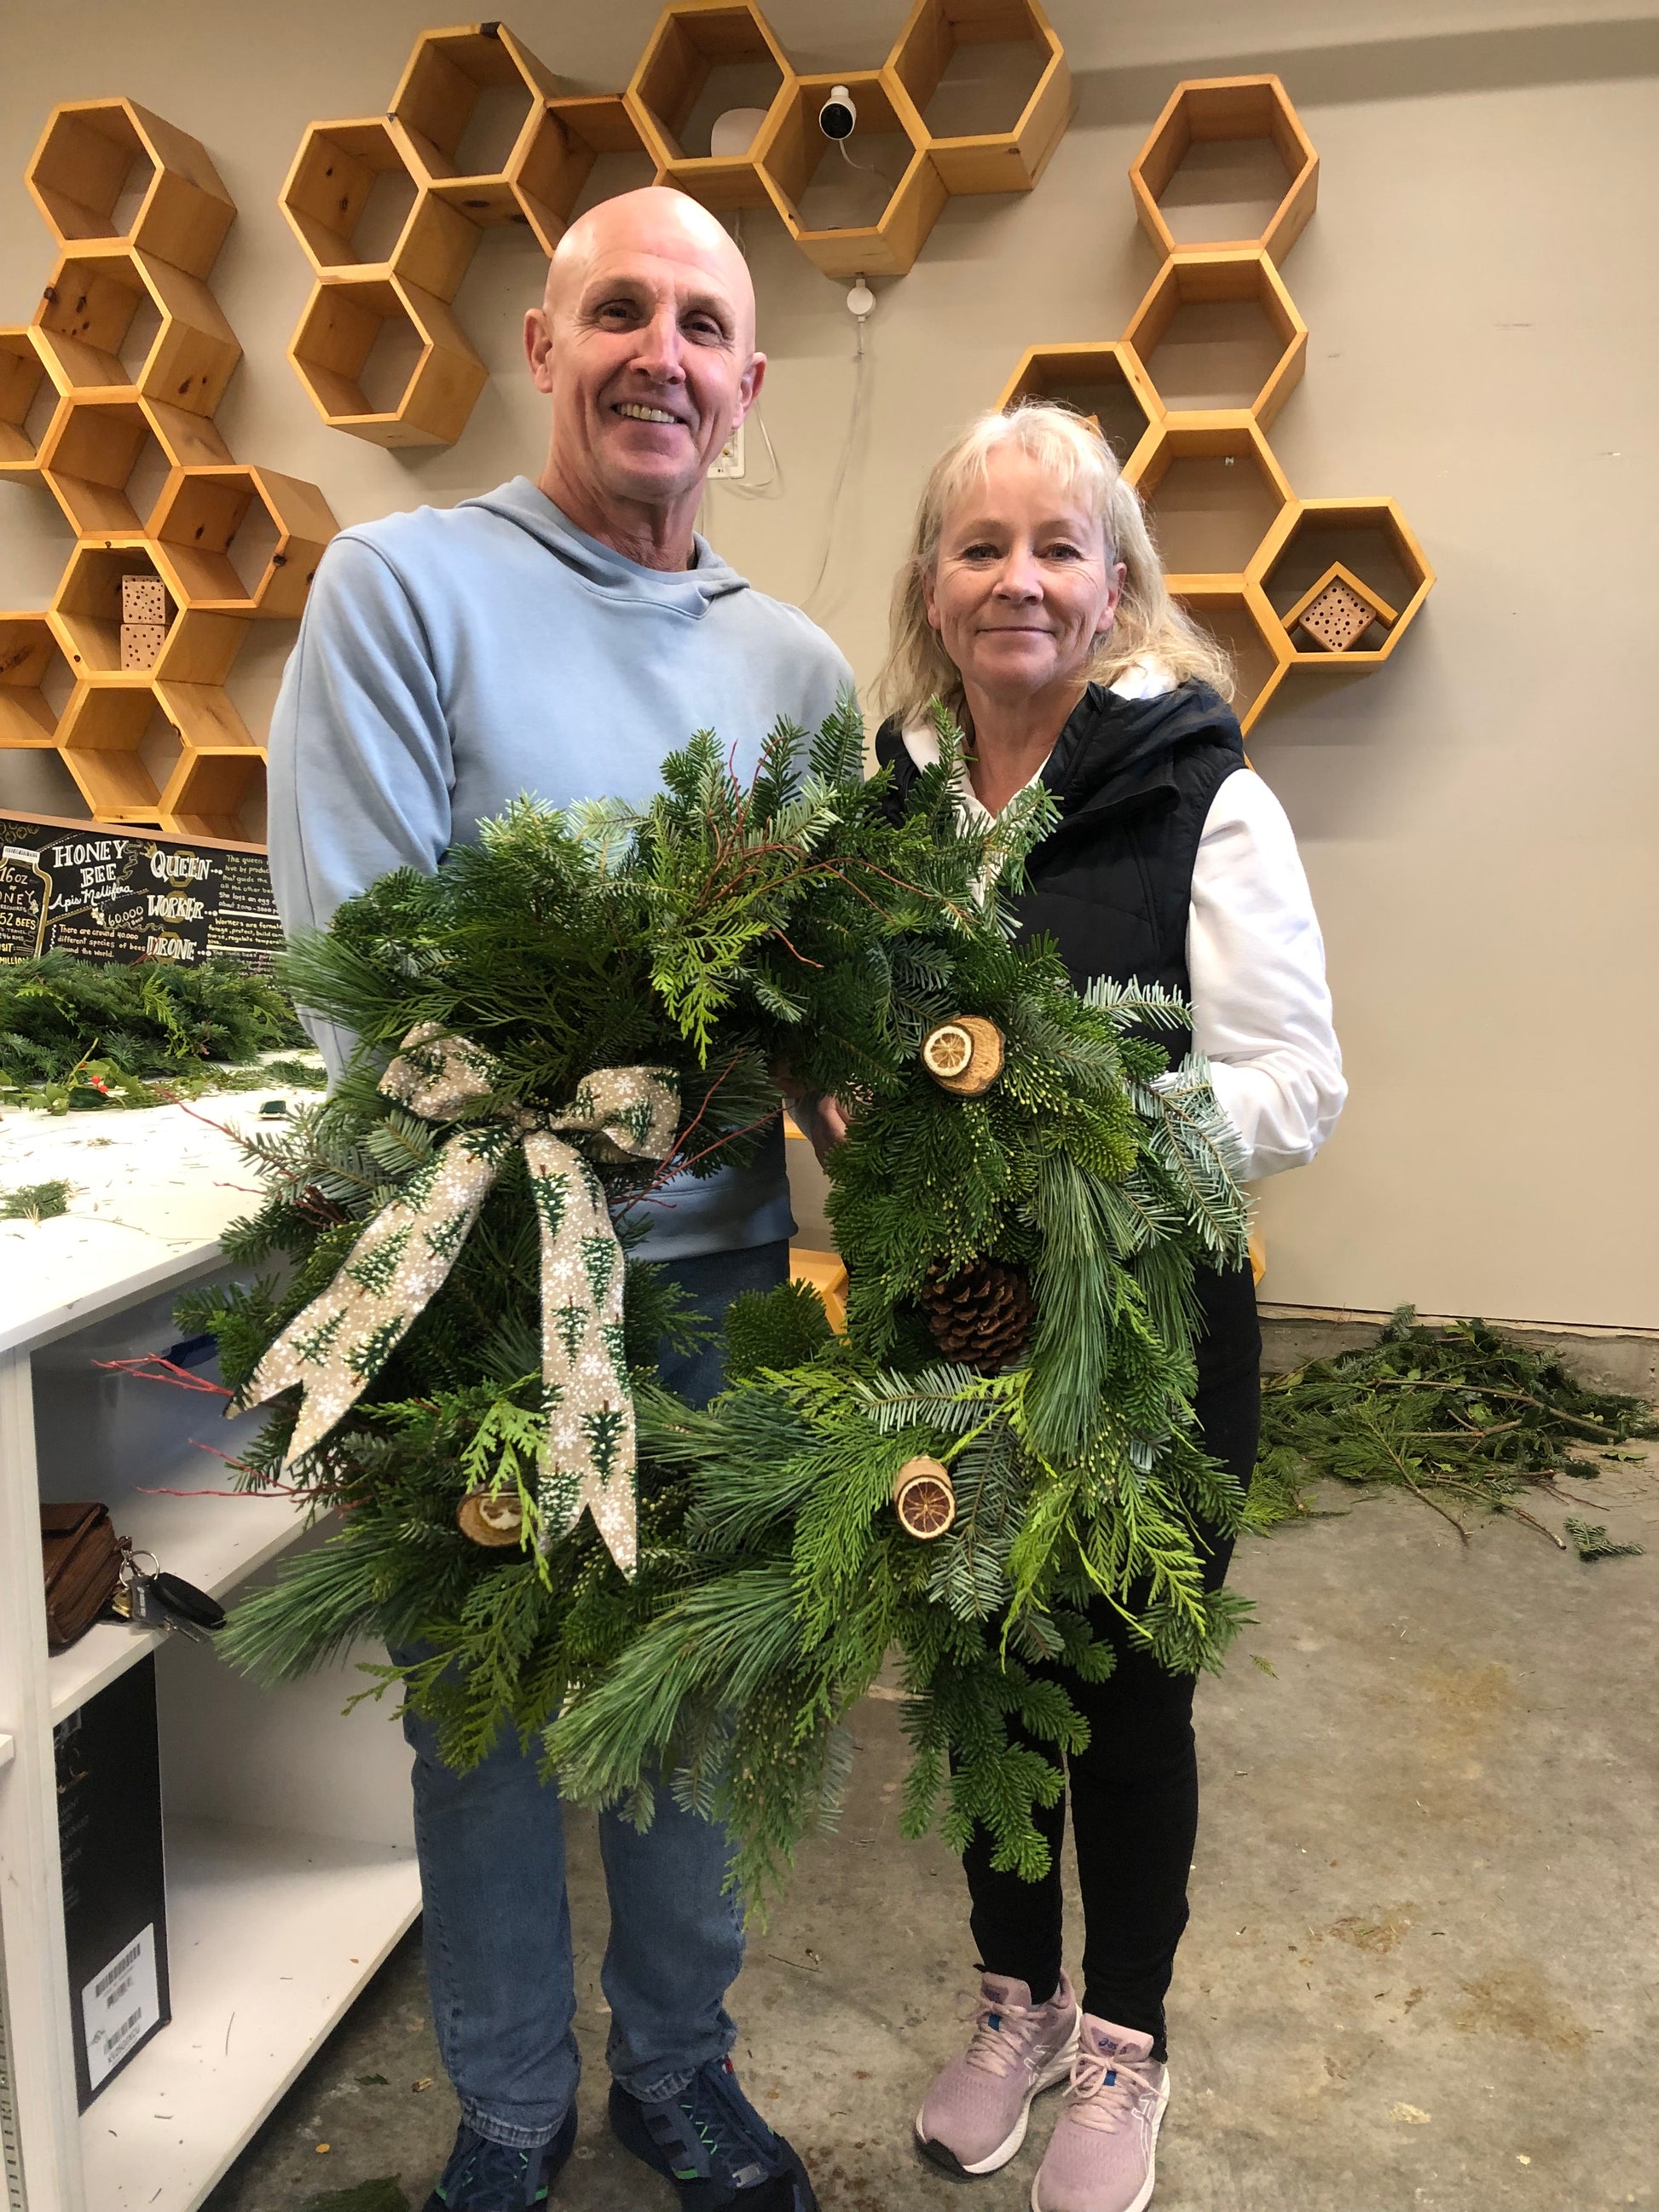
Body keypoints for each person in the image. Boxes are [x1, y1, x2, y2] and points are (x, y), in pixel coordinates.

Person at [267, 187, 847, 2212]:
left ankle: (676, 2069)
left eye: (702, 324)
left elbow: (809, 1003)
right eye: (620, 309)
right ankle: (509, 2099)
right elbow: (359, 956)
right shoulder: (400, 587)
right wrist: (578, 1138)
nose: (659, 354)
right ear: (541, 344)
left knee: (695, 1698)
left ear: (748, 385)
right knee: (490, 1718)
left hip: (722, 1291)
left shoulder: (799, 674)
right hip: (475, 1272)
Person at [863, 401, 1345, 2212]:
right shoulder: (891, 801)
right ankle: (1019, 2006)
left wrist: (1082, 1139)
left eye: (1055, 547)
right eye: (978, 546)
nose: (1016, 579)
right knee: (982, 1663)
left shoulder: (1203, 791)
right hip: (942, 1328)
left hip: (1143, 1335)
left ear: (1118, 582)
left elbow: (1294, 1081)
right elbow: (859, 1033)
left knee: (1131, 1688)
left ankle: (1128, 2039)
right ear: (932, 582)